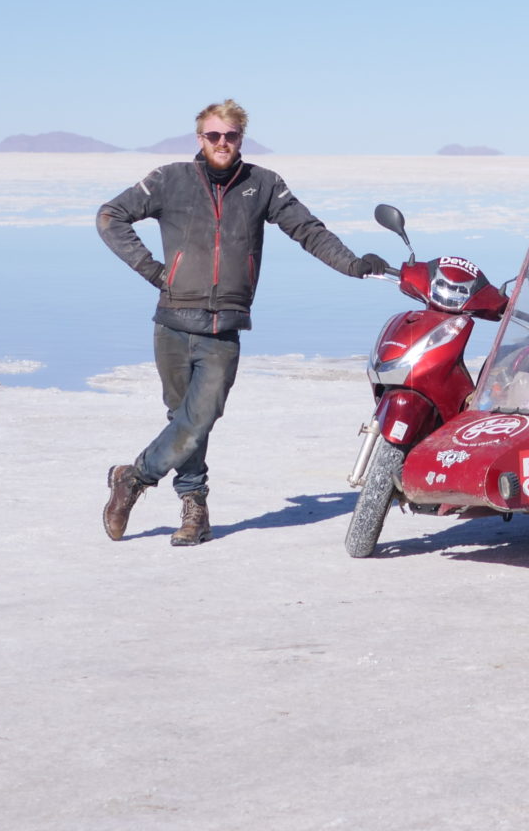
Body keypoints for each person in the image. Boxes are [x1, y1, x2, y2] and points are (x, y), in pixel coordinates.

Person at [94, 98, 388, 545]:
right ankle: (196, 511)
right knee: (182, 419)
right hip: (172, 324)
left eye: (230, 136)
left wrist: (353, 265)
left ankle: (133, 478)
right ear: (200, 138)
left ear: (240, 139)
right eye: (213, 135)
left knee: (200, 418)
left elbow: (308, 230)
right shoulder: (170, 180)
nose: (222, 143)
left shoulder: (262, 184)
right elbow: (110, 216)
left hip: (222, 328)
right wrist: (155, 272)